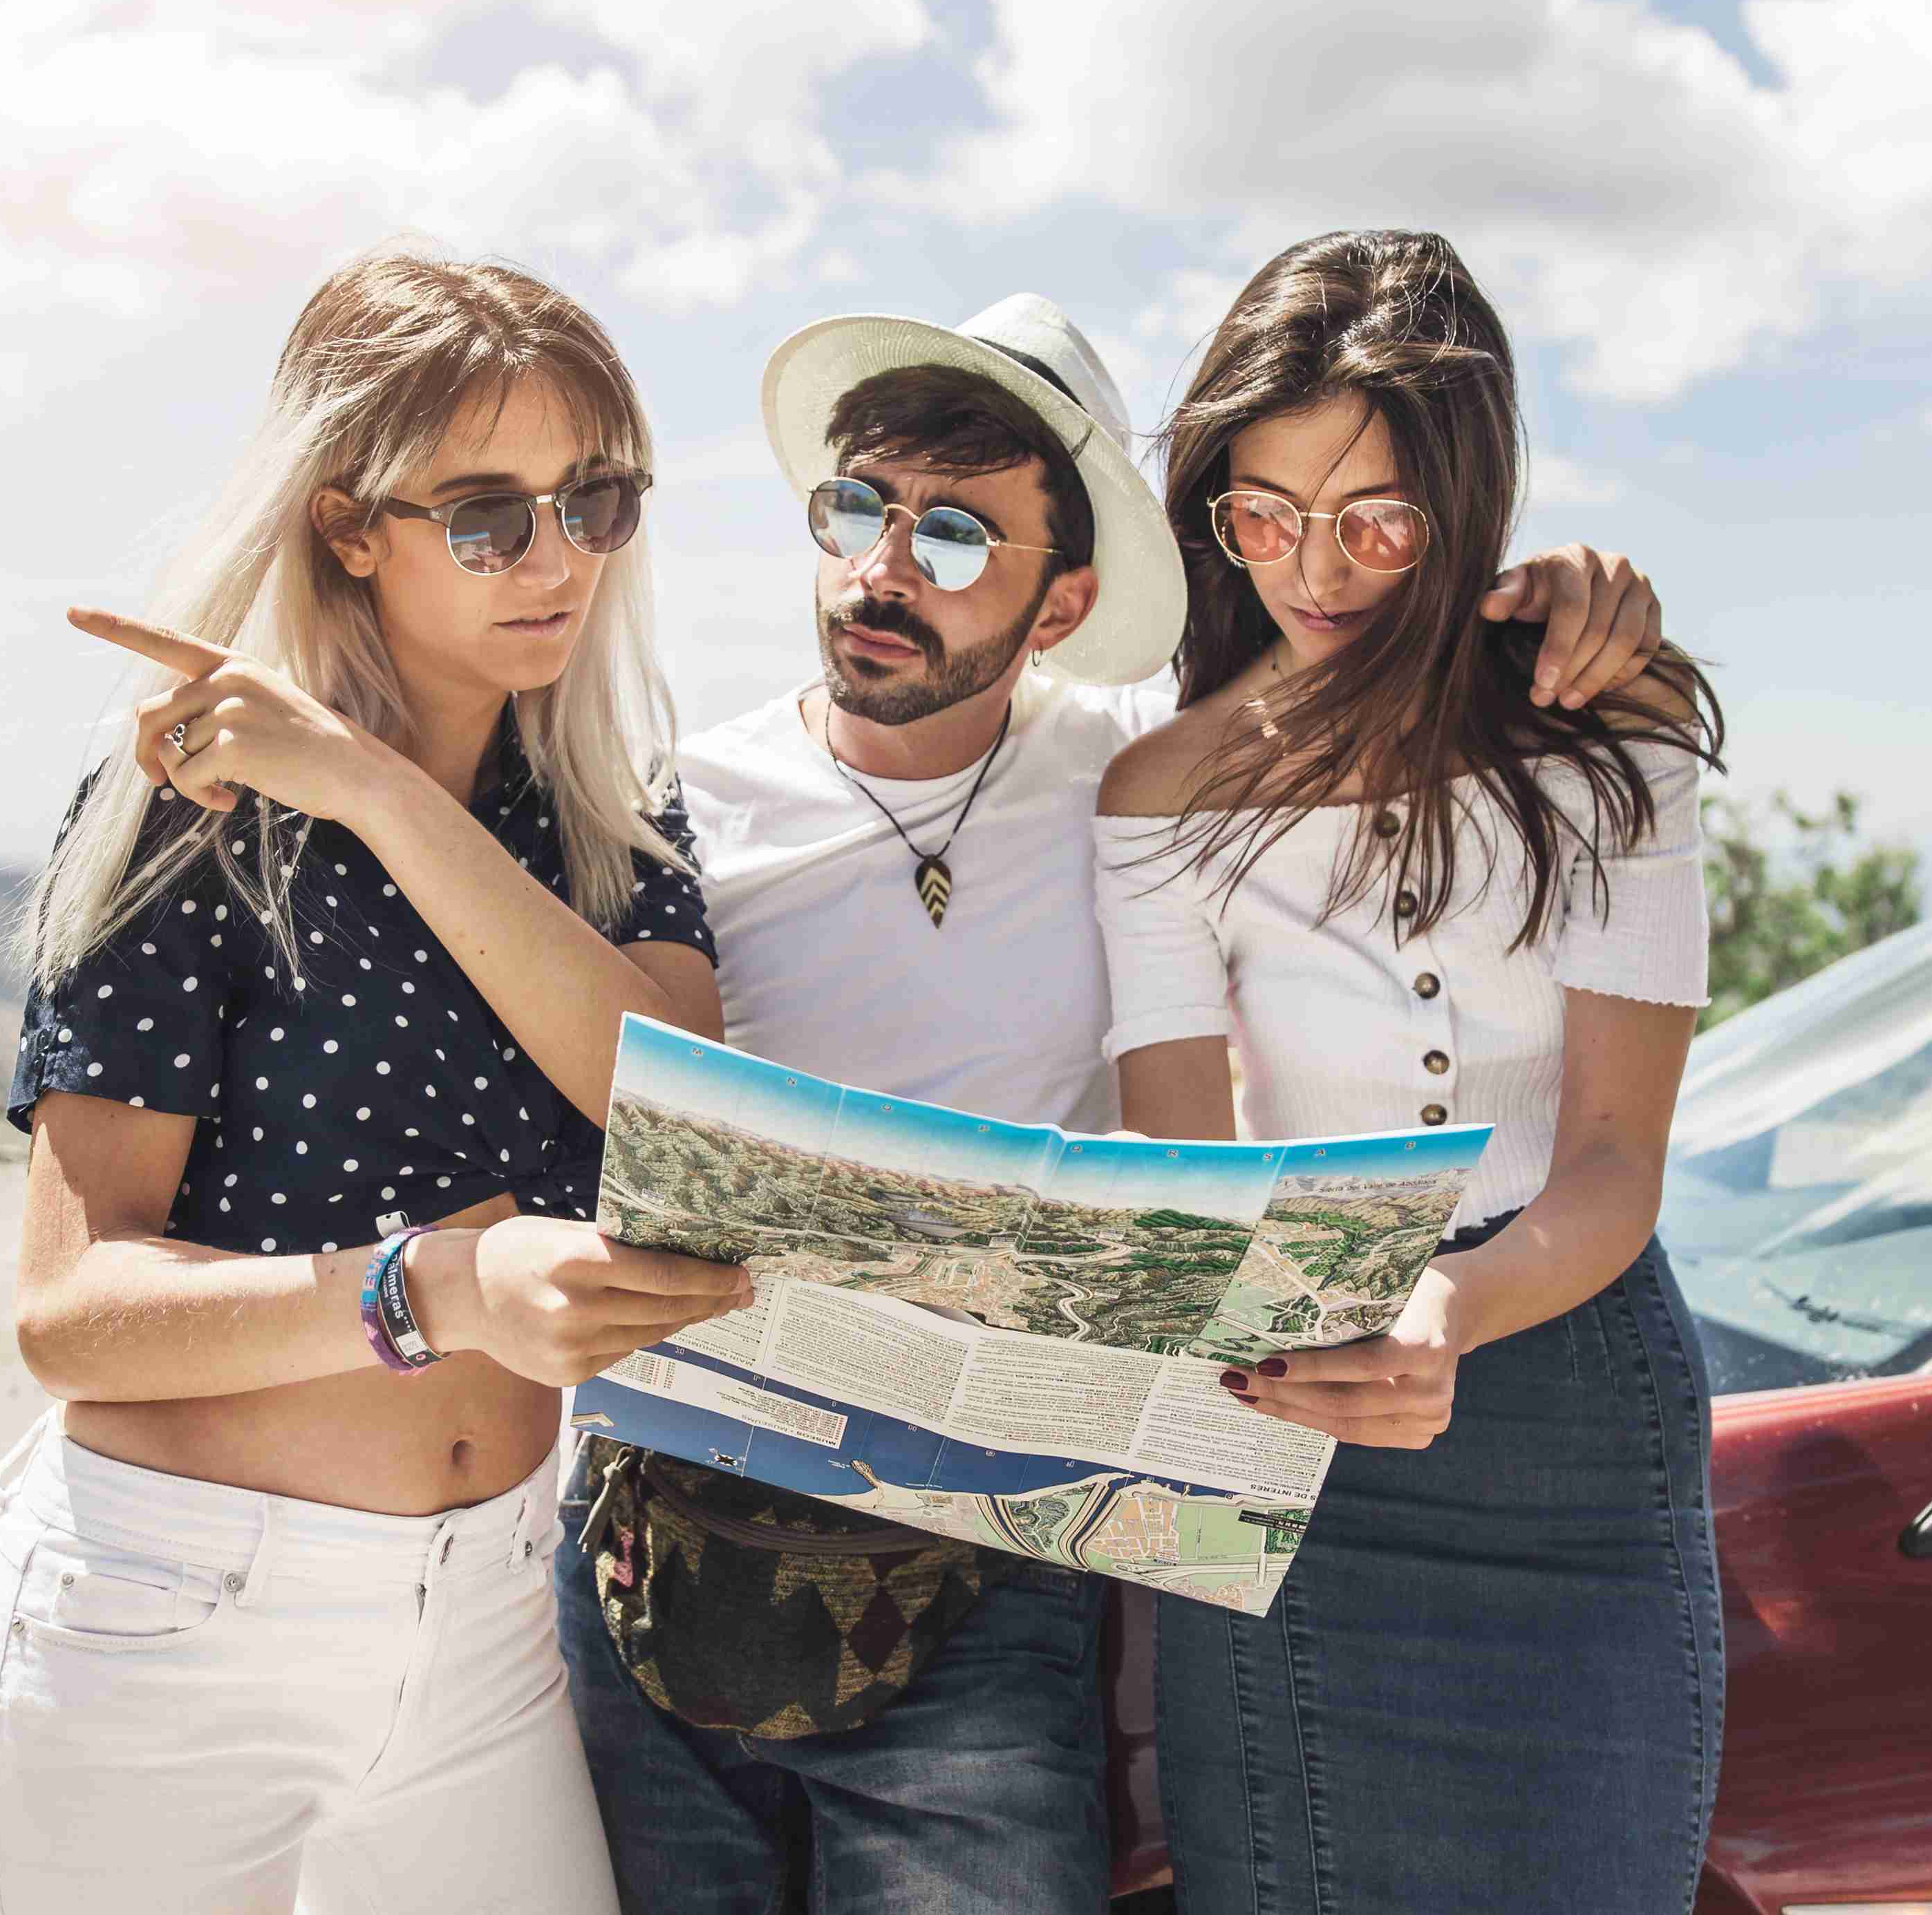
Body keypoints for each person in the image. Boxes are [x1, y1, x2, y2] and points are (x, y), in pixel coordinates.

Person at [554, 289, 1671, 1914]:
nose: (880, 566)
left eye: (951, 536)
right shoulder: (663, 803)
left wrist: (1565, 586)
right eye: (857, 509)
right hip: (679, 1530)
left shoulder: (1134, 769)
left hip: (991, 1566)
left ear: (1066, 596)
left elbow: (1355, 646)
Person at [0, 238, 756, 1915]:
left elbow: (672, 1107)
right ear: (349, 523)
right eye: (487, 512)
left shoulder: (606, 817)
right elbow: (67, 1308)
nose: (558, 558)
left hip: (491, 1628)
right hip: (166, 1624)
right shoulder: (192, 804)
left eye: (596, 501)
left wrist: (377, 789)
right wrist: (428, 1286)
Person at [1095, 229, 1727, 1915]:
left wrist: (1451, 1309)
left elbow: (1611, 1162)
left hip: (1575, 1416)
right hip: (1286, 1403)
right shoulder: (1156, 791)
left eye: (1376, 517)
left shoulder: (1613, 733)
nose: (1316, 566)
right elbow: (1184, 1175)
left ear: (1466, 503)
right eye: (1264, 511)